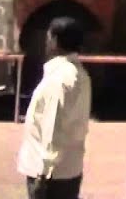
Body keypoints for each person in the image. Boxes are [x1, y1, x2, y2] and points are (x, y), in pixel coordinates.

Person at [17, 16, 92, 199]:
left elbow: (53, 128)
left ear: (55, 40)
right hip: (69, 169)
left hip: (51, 176)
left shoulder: (60, 79)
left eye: (49, 36)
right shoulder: (80, 75)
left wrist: (43, 174)